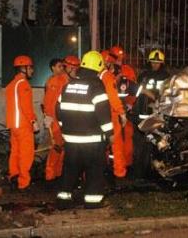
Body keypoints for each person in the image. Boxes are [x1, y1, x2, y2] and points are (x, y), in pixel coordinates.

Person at [56, 51, 113, 209]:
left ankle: (63, 200)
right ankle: (92, 202)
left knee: (70, 170)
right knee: (95, 171)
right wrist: (110, 134)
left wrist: (64, 127)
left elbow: (58, 110)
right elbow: (104, 116)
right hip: (92, 141)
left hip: (71, 140)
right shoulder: (96, 87)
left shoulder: (68, 86)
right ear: (98, 67)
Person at [131, 49, 170, 180]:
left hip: (157, 115)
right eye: (153, 62)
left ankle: (152, 173)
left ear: (162, 63)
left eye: (157, 63)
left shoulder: (166, 76)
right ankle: (138, 174)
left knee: (155, 146)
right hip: (141, 114)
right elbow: (137, 93)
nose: (155, 65)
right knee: (140, 147)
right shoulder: (143, 76)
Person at [43, 56, 80, 184]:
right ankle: (50, 176)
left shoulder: (71, 81)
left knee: (63, 149)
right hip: (56, 120)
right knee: (56, 148)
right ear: (68, 67)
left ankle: (58, 175)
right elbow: (49, 102)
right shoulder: (56, 81)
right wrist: (48, 117)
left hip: (67, 121)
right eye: (74, 68)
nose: (76, 70)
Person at [5, 55, 39, 191]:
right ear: (23, 68)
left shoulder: (11, 84)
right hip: (23, 124)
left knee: (15, 152)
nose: (32, 71)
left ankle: (14, 176)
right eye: (31, 68)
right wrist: (33, 120)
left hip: (13, 124)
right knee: (26, 153)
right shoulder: (23, 84)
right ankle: (24, 183)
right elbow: (26, 106)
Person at [100, 50, 128, 179]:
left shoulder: (94, 76)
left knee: (96, 146)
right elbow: (113, 97)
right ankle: (119, 172)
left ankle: (93, 173)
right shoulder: (107, 77)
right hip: (110, 114)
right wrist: (122, 112)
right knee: (117, 145)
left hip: (97, 115)